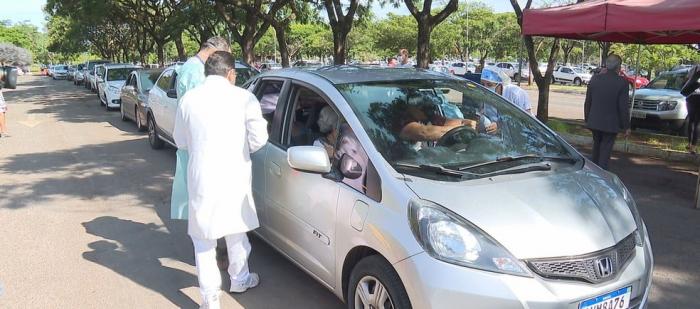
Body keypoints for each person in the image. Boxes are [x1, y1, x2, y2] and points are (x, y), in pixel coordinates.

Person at [173, 51, 268, 309]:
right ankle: (240, 279)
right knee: (236, 231)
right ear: (231, 74)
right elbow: (259, 139)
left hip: (202, 177)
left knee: (203, 240)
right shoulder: (244, 98)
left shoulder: (189, 100)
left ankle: (210, 299)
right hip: (234, 175)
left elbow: (180, 141)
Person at [584, 54, 630, 170]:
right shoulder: (622, 83)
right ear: (618, 67)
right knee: (605, 153)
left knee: (596, 150)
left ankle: (592, 173)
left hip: (594, 121)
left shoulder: (594, 79)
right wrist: (626, 126)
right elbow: (623, 107)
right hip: (611, 124)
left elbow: (588, 102)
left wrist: (587, 119)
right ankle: (601, 177)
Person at [681, 64, 700, 154]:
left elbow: (685, 81)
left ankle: (689, 143)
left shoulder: (694, 68)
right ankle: (693, 147)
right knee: (698, 123)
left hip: (691, 96)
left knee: (691, 120)